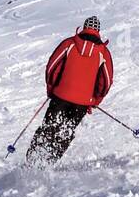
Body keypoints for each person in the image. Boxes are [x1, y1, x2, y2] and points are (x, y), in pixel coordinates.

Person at [26, 16, 114, 166]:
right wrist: (94, 100)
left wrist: (51, 88)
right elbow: (105, 81)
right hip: (82, 102)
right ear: (98, 31)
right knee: (66, 130)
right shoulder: (103, 53)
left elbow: (52, 66)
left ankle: (32, 159)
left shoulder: (69, 44)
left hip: (60, 96)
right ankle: (50, 162)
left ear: (84, 27)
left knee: (50, 126)